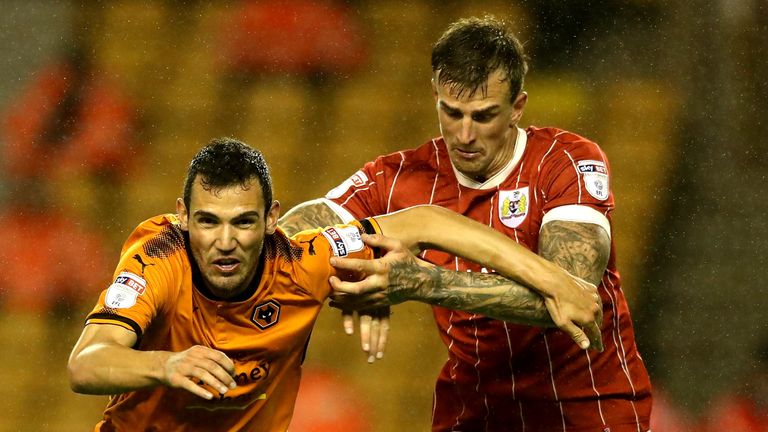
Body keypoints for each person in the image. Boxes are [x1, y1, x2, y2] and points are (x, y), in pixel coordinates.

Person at [67, 137, 601, 431]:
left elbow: (428, 222)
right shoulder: (158, 258)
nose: (224, 242)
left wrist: (555, 280)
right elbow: (86, 363)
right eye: (208, 222)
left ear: (271, 220)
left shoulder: (302, 260)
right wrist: (167, 365)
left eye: (243, 222)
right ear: (183, 217)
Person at [279, 15, 652, 431]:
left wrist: (423, 283)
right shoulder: (400, 176)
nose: (465, 135)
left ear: (517, 107)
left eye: (484, 116)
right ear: (436, 97)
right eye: (452, 113)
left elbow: (570, 295)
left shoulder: (564, 161)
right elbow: (291, 239)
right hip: (476, 412)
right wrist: (358, 259)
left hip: (586, 410)